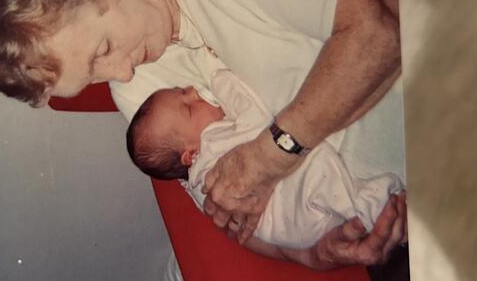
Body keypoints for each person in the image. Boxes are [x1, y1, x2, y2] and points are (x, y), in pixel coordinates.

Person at [0, 0, 406, 268]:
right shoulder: (133, 88)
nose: (122, 72)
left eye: (102, 49)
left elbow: (382, 28)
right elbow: (232, 213)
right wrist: (313, 254)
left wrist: (271, 157)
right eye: (93, 76)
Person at [127, 68, 405, 258]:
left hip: (293, 230)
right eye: (189, 107)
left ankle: (368, 212)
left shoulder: (203, 187)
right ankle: (376, 209)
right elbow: (256, 120)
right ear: (189, 154)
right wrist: (223, 82)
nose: (194, 92)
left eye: (182, 90)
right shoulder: (212, 145)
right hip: (288, 205)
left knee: (323, 172)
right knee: (318, 165)